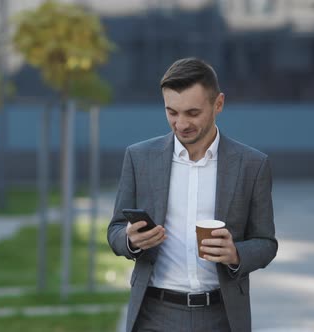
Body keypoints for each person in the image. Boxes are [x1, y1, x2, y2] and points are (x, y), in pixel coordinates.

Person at [108, 58, 278, 332]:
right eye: (172, 112)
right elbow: (115, 229)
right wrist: (130, 240)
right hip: (153, 314)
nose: (181, 123)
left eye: (192, 113)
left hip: (221, 316)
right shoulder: (139, 158)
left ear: (218, 104)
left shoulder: (251, 165)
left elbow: (267, 243)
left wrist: (235, 254)